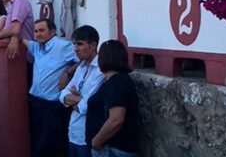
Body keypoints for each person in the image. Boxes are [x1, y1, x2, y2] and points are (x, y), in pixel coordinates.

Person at [24, 19, 79, 157]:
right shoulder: (36, 47)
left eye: (42, 30)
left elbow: (83, 59)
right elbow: (21, 39)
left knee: (46, 146)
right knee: (39, 141)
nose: (38, 34)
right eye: (35, 31)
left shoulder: (63, 46)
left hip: (53, 106)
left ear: (53, 31)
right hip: (36, 103)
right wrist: (15, 39)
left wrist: (67, 73)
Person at [86, 40, 140, 157]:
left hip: (114, 149)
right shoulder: (115, 81)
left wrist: (96, 141)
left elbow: (116, 119)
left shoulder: (117, 82)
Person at [59, 26, 106, 157]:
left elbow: (87, 106)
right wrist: (79, 99)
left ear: (93, 45)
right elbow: (62, 94)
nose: (75, 49)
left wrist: (72, 98)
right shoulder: (81, 67)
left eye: (80, 44)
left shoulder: (100, 70)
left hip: (88, 135)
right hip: (73, 132)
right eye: (74, 44)